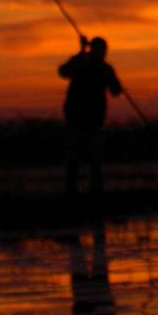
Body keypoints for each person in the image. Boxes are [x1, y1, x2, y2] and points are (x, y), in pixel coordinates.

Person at [59, 35, 123, 197]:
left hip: (92, 121)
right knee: (79, 161)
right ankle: (75, 195)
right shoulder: (87, 64)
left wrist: (81, 52)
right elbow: (63, 71)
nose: (103, 53)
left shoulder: (101, 67)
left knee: (91, 162)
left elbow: (115, 90)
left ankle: (91, 195)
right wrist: (81, 52)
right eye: (101, 50)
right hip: (78, 119)